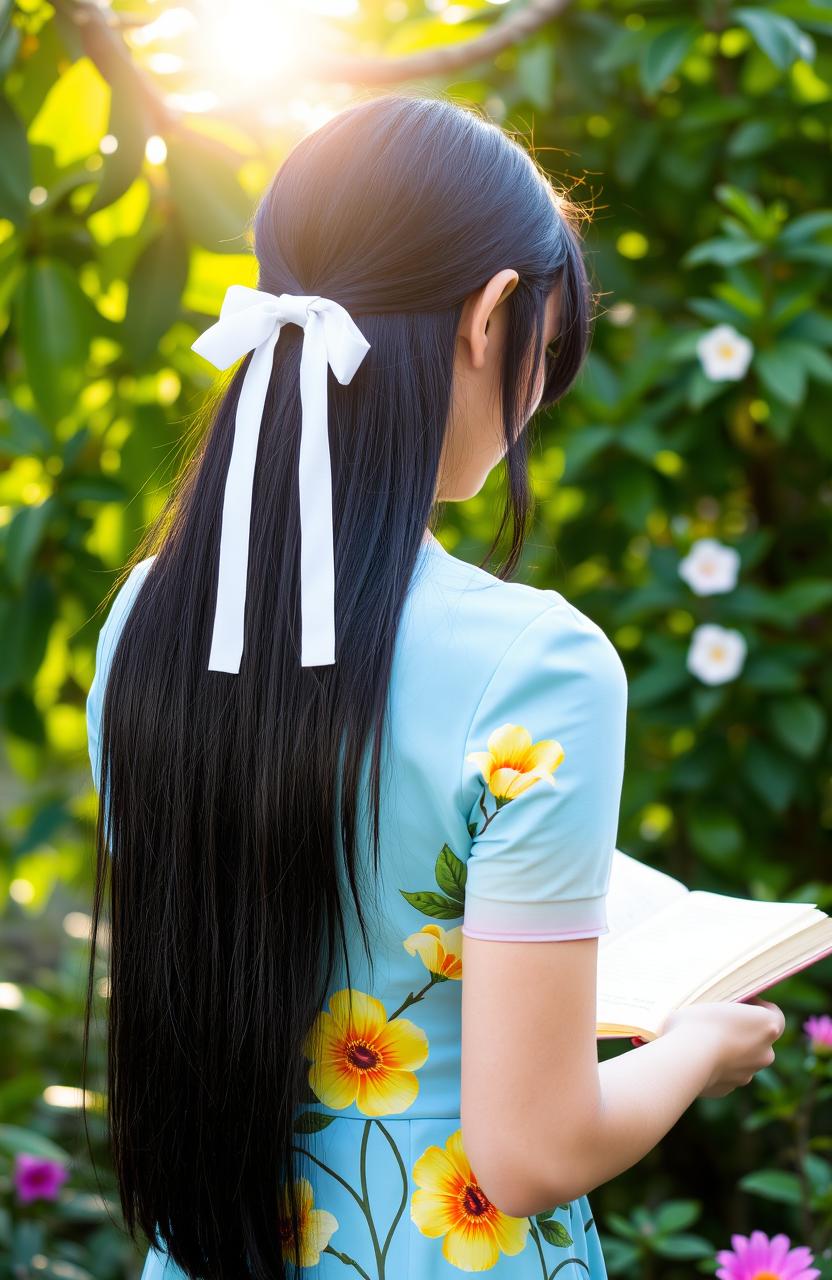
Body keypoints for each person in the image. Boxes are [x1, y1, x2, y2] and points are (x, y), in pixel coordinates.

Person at [84, 92, 785, 1280]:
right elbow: (529, 1149)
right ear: (491, 315)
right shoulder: (539, 664)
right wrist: (699, 1044)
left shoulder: (141, 621)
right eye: (546, 354)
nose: (532, 400)